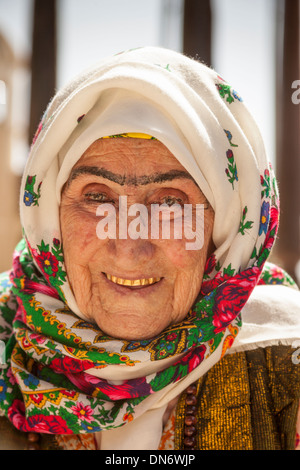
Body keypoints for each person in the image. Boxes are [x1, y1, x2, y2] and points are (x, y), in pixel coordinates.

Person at [0, 46, 299, 451]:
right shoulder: (8, 340)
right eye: (96, 197)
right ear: (51, 217)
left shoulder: (286, 362)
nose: (129, 247)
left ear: (227, 226)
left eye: (170, 203)